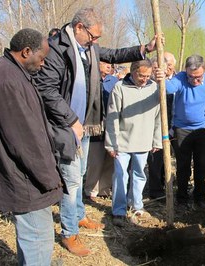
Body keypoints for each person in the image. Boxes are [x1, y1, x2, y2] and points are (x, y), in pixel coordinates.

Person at [34, 7, 160, 256]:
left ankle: (79, 215)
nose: (96, 42)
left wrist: (145, 48)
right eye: (93, 36)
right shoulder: (55, 49)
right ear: (79, 27)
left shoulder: (87, 47)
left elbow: (113, 55)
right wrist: (71, 120)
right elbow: (46, 90)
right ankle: (69, 233)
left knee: (80, 173)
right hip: (65, 126)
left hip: (86, 123)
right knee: (70, 181)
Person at [0, 28, 63, 265]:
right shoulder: (8, 81)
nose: (43, 64)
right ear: (26, 52)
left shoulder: (13, 73)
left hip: (27, 177)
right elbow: (24, 140)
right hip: (28, 181)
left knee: (30, 237)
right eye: (41, 58)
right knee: (37, 238)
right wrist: (50, 178)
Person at [157, 54, 205, 209]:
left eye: (198, 77)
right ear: (186, 72)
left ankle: (200, 198)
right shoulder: (180, 79)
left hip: (204, 130)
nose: (194, 80)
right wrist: (161, 78)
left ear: (204, 70)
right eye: (191, 77)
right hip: (182, 130)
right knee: (183, 166)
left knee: (202, 166)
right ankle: (182, 198)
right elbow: (168, 88)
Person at [105, 59, 162, 226]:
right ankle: (119, 211)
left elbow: (159, 116)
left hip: (144, 141)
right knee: (120, 176)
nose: (144, 78)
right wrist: (111, 143)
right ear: (133, 71)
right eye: (141, 75)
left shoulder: (154, 88)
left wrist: (156, 139)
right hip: (122, 141)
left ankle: (137, 205)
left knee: (139, 175)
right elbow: (112, 117)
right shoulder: (120, 88)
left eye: (147, 75)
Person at [84, 61, 118, 201]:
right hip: (95, 123)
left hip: (111, 122)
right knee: (95, 158)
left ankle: (104, 188)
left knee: (110, 158)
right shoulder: (90, 78)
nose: (109, 66)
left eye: (111, 64)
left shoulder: (114, 81)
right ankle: (90, 189)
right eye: (105, 63)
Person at [147, 52, 177, 199]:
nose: (156, 71)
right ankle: (155, 190)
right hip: (154, 127)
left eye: (160, 68)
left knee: (168, 158)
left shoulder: (174, 83)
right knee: (155, 159)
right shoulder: (148, 84)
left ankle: (168, 183)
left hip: (173, 125)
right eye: (154, 68)